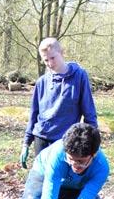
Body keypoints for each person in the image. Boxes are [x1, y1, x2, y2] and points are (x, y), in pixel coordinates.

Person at [20, 38, 97, 169]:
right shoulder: (42, 82)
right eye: (45, 60)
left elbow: (89, 111)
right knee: (44, 181)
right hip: (42, 138)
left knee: (64, 183)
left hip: (66, 140)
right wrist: (26, 143)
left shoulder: (79, 77)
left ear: (62, 53)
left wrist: (94, 143)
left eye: (52, 58)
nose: (50, 63)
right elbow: (34, 114)